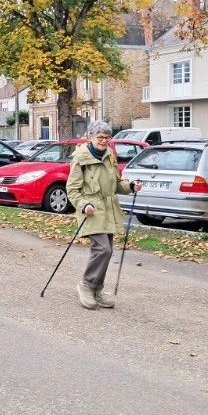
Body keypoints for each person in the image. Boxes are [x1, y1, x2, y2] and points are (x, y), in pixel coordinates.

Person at [66, 121, 142, 310]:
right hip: (91, 211)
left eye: (107, 137)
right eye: (100, 137)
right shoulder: (80, 158)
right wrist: (84, 205)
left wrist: (131, 186)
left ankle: (96, 289)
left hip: (108, 209)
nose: (104, 141)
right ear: (90, 137)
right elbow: (72, 190)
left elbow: (116, 183)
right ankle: (86, 285)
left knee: (106, 251)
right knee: (103, 250)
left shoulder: (110, 156)